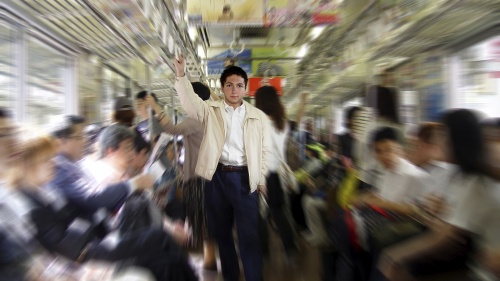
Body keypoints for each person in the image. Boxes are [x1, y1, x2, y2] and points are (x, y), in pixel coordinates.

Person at [9, 135, 197, 281]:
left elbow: (76, 220)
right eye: (47, 159)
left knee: (165, 262)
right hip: (87, 253)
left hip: (92, 244)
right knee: (160, 237)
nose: (54, 163)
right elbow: (62, 242)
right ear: (28, 165)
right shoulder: (28, 204)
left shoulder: (46, 192)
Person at [174, 53, 271, 281]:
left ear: (246, 89)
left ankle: (254, 277)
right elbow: (190, 104)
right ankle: (230, 277)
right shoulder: (211, 111)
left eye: (239, 85)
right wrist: (181, 74)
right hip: (216, 178)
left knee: (249, 236)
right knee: (222, 235)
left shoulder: (258, 117)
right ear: (223, 87)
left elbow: (264, 152)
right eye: (229, 85)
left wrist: (262, 179)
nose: (234, 90)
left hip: (246, 179)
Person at [378, 109, 500, 281]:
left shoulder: (473, 180)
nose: (437, 141)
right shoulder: (464, 176)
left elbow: (444, 236)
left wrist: (393, 256)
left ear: (456, 139)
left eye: (442, 134)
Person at [145, 81, 217, 269]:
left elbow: (172, 129)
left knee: (202, 220)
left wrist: (154, 106)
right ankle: (210, 259)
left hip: (197, 178)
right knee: (207, 218)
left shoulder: (196, 119)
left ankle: (209, 261)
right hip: (210, 176)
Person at [254, 85, 298, 258]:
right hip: (277, 174)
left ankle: (264, 253)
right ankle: (290, 249)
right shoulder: (283, 123)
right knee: (279, 213)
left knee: (260, 216)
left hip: (262, 175)